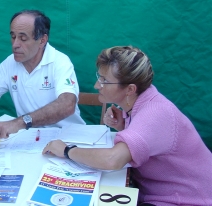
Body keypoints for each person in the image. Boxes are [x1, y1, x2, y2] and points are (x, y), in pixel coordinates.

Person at [43, 46, 212, 205]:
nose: (97, 86)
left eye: (104, 81)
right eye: (98, 78)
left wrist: (66, 150)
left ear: (130, 89)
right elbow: (151, 141)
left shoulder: (156, 113)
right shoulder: (143, 100)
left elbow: (113, 160)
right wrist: (124, 126)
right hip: (159, 193)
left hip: (188, 199)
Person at [0, 10, 85, 149]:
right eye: (13, 36)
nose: (15, 44)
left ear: (42, 40)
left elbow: (67, 105)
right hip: (31, 140)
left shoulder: (59, 62)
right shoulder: (9, 63)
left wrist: (20, 122)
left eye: (23, 38)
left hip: (69, 140)